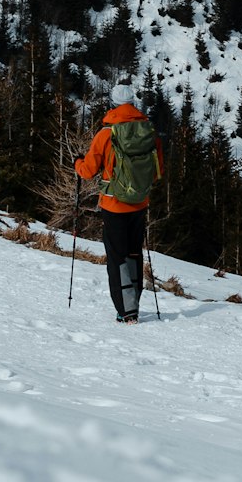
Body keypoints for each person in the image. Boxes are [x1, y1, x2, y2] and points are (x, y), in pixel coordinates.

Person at [75, 84, 164, 324]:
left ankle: (126, 311)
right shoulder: (149, 131)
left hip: (114, 205)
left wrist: (77, 163)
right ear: (133, 103)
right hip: (140, 203)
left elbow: (88, 171)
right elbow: (157, 171)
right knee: (135, 254)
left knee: (117, 257)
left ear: (112, 105)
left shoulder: (107, 133)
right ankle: (132, 303)